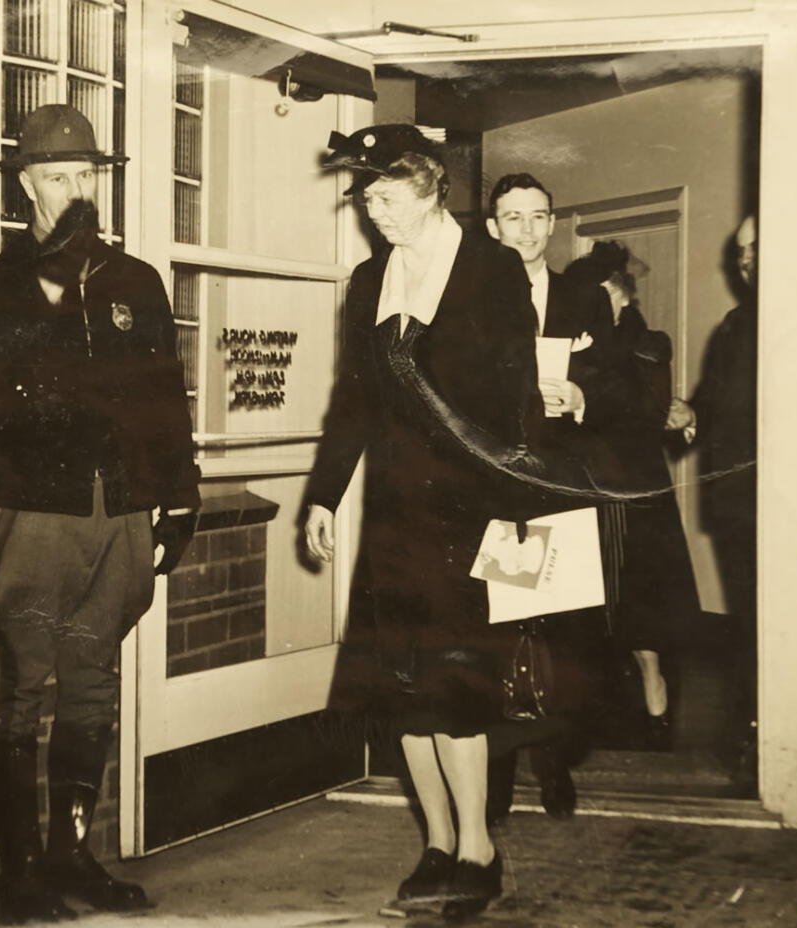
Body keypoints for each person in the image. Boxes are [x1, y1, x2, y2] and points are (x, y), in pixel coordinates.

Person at [0, 104, 200, 923]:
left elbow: (167, 395)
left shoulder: (137, 282)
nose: (76, 188)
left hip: (120, 506)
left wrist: (182, 489)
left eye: (86, 174)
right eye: (58, 175)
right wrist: (54, 283)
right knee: (22, 679)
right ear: (26, 185)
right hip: (35, 507)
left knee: (93, 679)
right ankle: (19, 874)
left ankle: (72, 856)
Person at [304, 124, 545, 919]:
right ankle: (438, 843)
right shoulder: (370, 279)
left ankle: (479, 845)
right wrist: (323, 494)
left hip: (472, 509)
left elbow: (519, 400)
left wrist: (516, 507)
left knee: (459, 687)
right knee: (402, 687)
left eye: (387, 196)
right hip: (396, 511)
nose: (375, 213)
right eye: (367, 200)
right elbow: (354, 402)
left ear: (431, 184)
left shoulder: (493, 268)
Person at [482, 173, 626, 821]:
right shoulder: (468, 302)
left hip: (563, 484)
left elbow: (619, 383)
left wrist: (583, 397)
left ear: (553, 222)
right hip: (499, 488)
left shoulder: (586, 299)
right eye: (513, 218)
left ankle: (554, 767)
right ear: (493, 228)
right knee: (506, 629)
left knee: (562, 634)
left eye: (538, 216)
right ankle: (496, 776)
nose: (528, 230)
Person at [566, 240, 699, 746]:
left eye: (601, 296)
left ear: (622, 297)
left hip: (634, 485)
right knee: (587, 596)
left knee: (640, 595)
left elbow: (644, 410)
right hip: (581, 482)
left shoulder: (647, 344)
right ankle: (592, 698)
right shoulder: (573, 340)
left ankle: (652, 682)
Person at [666, 214, 758, 780]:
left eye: (756, 248)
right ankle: (751, 730)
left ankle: (759, 731)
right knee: (749, 618)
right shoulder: (733, 325)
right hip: (734, 500)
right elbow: (714, 402)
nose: (745, 258)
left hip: (776, 501)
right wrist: (687, 413)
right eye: (741, 249)